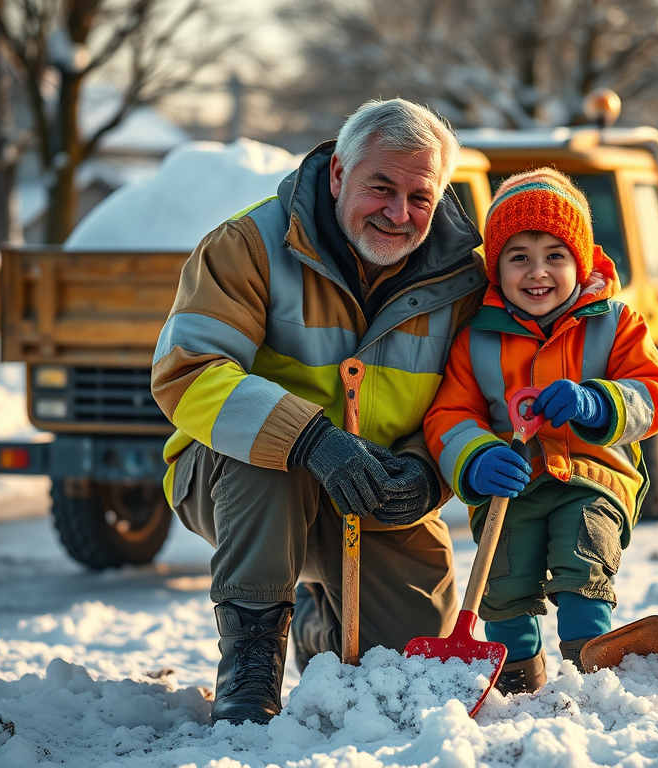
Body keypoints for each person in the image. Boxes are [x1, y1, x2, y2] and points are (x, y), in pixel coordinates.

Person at [151, 99, 487, 725]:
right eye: (380, 187)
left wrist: (426, 474)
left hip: (375, 482)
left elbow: (467, 402)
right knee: (267, 463)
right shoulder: (247, 244)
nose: (399, 213)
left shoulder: (465, 281)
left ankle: (315, 627)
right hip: (234, 481)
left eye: (419, 197)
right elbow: (187, 371)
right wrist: (311, 440)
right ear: (337, 174)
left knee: (404, 661)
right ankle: (251, 668)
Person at [423, 168, 658, 694]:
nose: (537, 272)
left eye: (555, 256)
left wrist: (599, 401)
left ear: (580, 261)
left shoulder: (614, 323)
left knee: (581, 570)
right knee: (502, 587)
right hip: (509, 486)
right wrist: (476, 456)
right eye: (519, 257)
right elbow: (449, 414)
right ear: (496, 267)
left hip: (593, 477)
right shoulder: (475, 337)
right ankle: (519, 682)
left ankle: (595, 677)